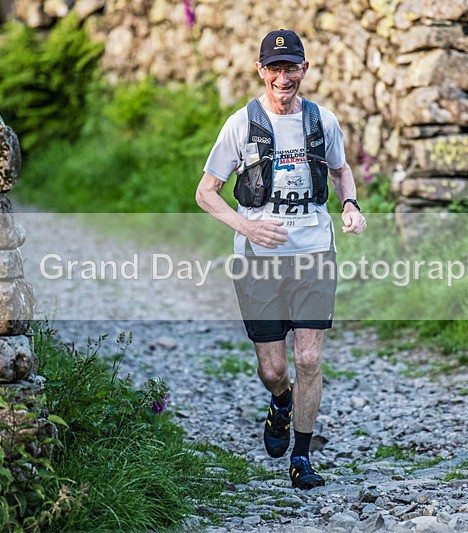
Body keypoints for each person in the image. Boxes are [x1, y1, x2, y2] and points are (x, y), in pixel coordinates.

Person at [195, 29, 366, 490]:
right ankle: (281, 402)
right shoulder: (239, 125)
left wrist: (349, 205)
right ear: (261, 71)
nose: (283, 77)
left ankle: (302, 456)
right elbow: (205, 193)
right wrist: (247, 226)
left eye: (291, 67)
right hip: (257, 258)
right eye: (275, 68)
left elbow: (340, 171)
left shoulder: (322, 121)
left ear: (304, 70)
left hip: (314, 251)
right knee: (274, 369)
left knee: (309, 358)